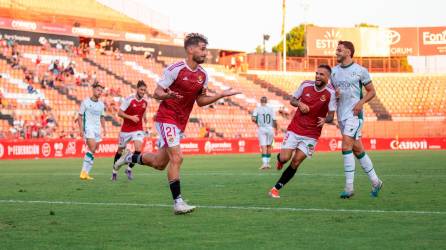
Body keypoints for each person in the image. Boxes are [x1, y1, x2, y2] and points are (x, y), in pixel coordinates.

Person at [114, 33, 240, 214]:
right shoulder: (175, 69)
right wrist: (167, 95)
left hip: (180, 122)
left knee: (159, 163)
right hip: (166, 117)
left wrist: (220, 95)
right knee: (177, 158)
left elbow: (201, 101)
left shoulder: (203, 75)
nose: (206, 53)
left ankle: (128, 158)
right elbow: (157, 93)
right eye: (202, 49)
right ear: (190, 49)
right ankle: (178, 203)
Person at [268, 64, 336, 198]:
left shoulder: (331, 93)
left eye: (321, 74)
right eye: (317, 73)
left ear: (328, 77)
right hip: (295, 128)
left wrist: (325, 120)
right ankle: (280, 161)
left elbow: (331, 116)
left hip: (312, 134)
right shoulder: (305, 85)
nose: (317, 76)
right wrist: (300, 104)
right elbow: (292, 100)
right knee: (285, 157)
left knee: (296, 161)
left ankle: (275, 188)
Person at [331, 40, 383, 199]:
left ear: (348, 52)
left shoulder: (360, 71)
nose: (337, 52)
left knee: (346, 145)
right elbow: (333, 93)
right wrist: (336, 95)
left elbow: (371, 91)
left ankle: (349, 187)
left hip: (354, 115)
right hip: (342, 115)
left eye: (339, 50)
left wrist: (361, 103)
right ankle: (376, 181)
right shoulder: (334, 72)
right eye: (337, 50)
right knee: (357, 149)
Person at [112, 80, 148, 181]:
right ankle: (114, 171)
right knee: (120, 150)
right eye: (141, 89)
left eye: (144, 90)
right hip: (126, 130)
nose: (142, 92)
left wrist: (144, 118)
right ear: (137, 89)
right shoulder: (129, 99)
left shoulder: (145, 102)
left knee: (138, 150)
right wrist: (131, 117)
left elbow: (143, 110)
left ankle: (128, 169)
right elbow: (119, 113)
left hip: (138, 129)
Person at [78, 82, 106, 180]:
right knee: (93, 148)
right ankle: (83, 172)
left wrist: (104, 128)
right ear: (93, 90)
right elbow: (80, 116)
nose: (99, 92)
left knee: (93, 151)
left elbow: (102, 117)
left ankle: (86, 173)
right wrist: (81, 129)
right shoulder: (85, 102)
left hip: (97, 129)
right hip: (88, 128)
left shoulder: (101, 105)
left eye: (101, 91)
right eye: (98, 90)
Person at [252, 96, 277, 169]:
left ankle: (264, 164)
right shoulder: (271, 109)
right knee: (269, 146)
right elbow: (274, 120)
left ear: (260, 101)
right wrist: (276, 129)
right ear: (266, 101)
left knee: (263, 146)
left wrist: (257, 122)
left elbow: (253, 118)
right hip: (270, 128)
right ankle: (268, 163)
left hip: (262, 128)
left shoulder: (257, 109)